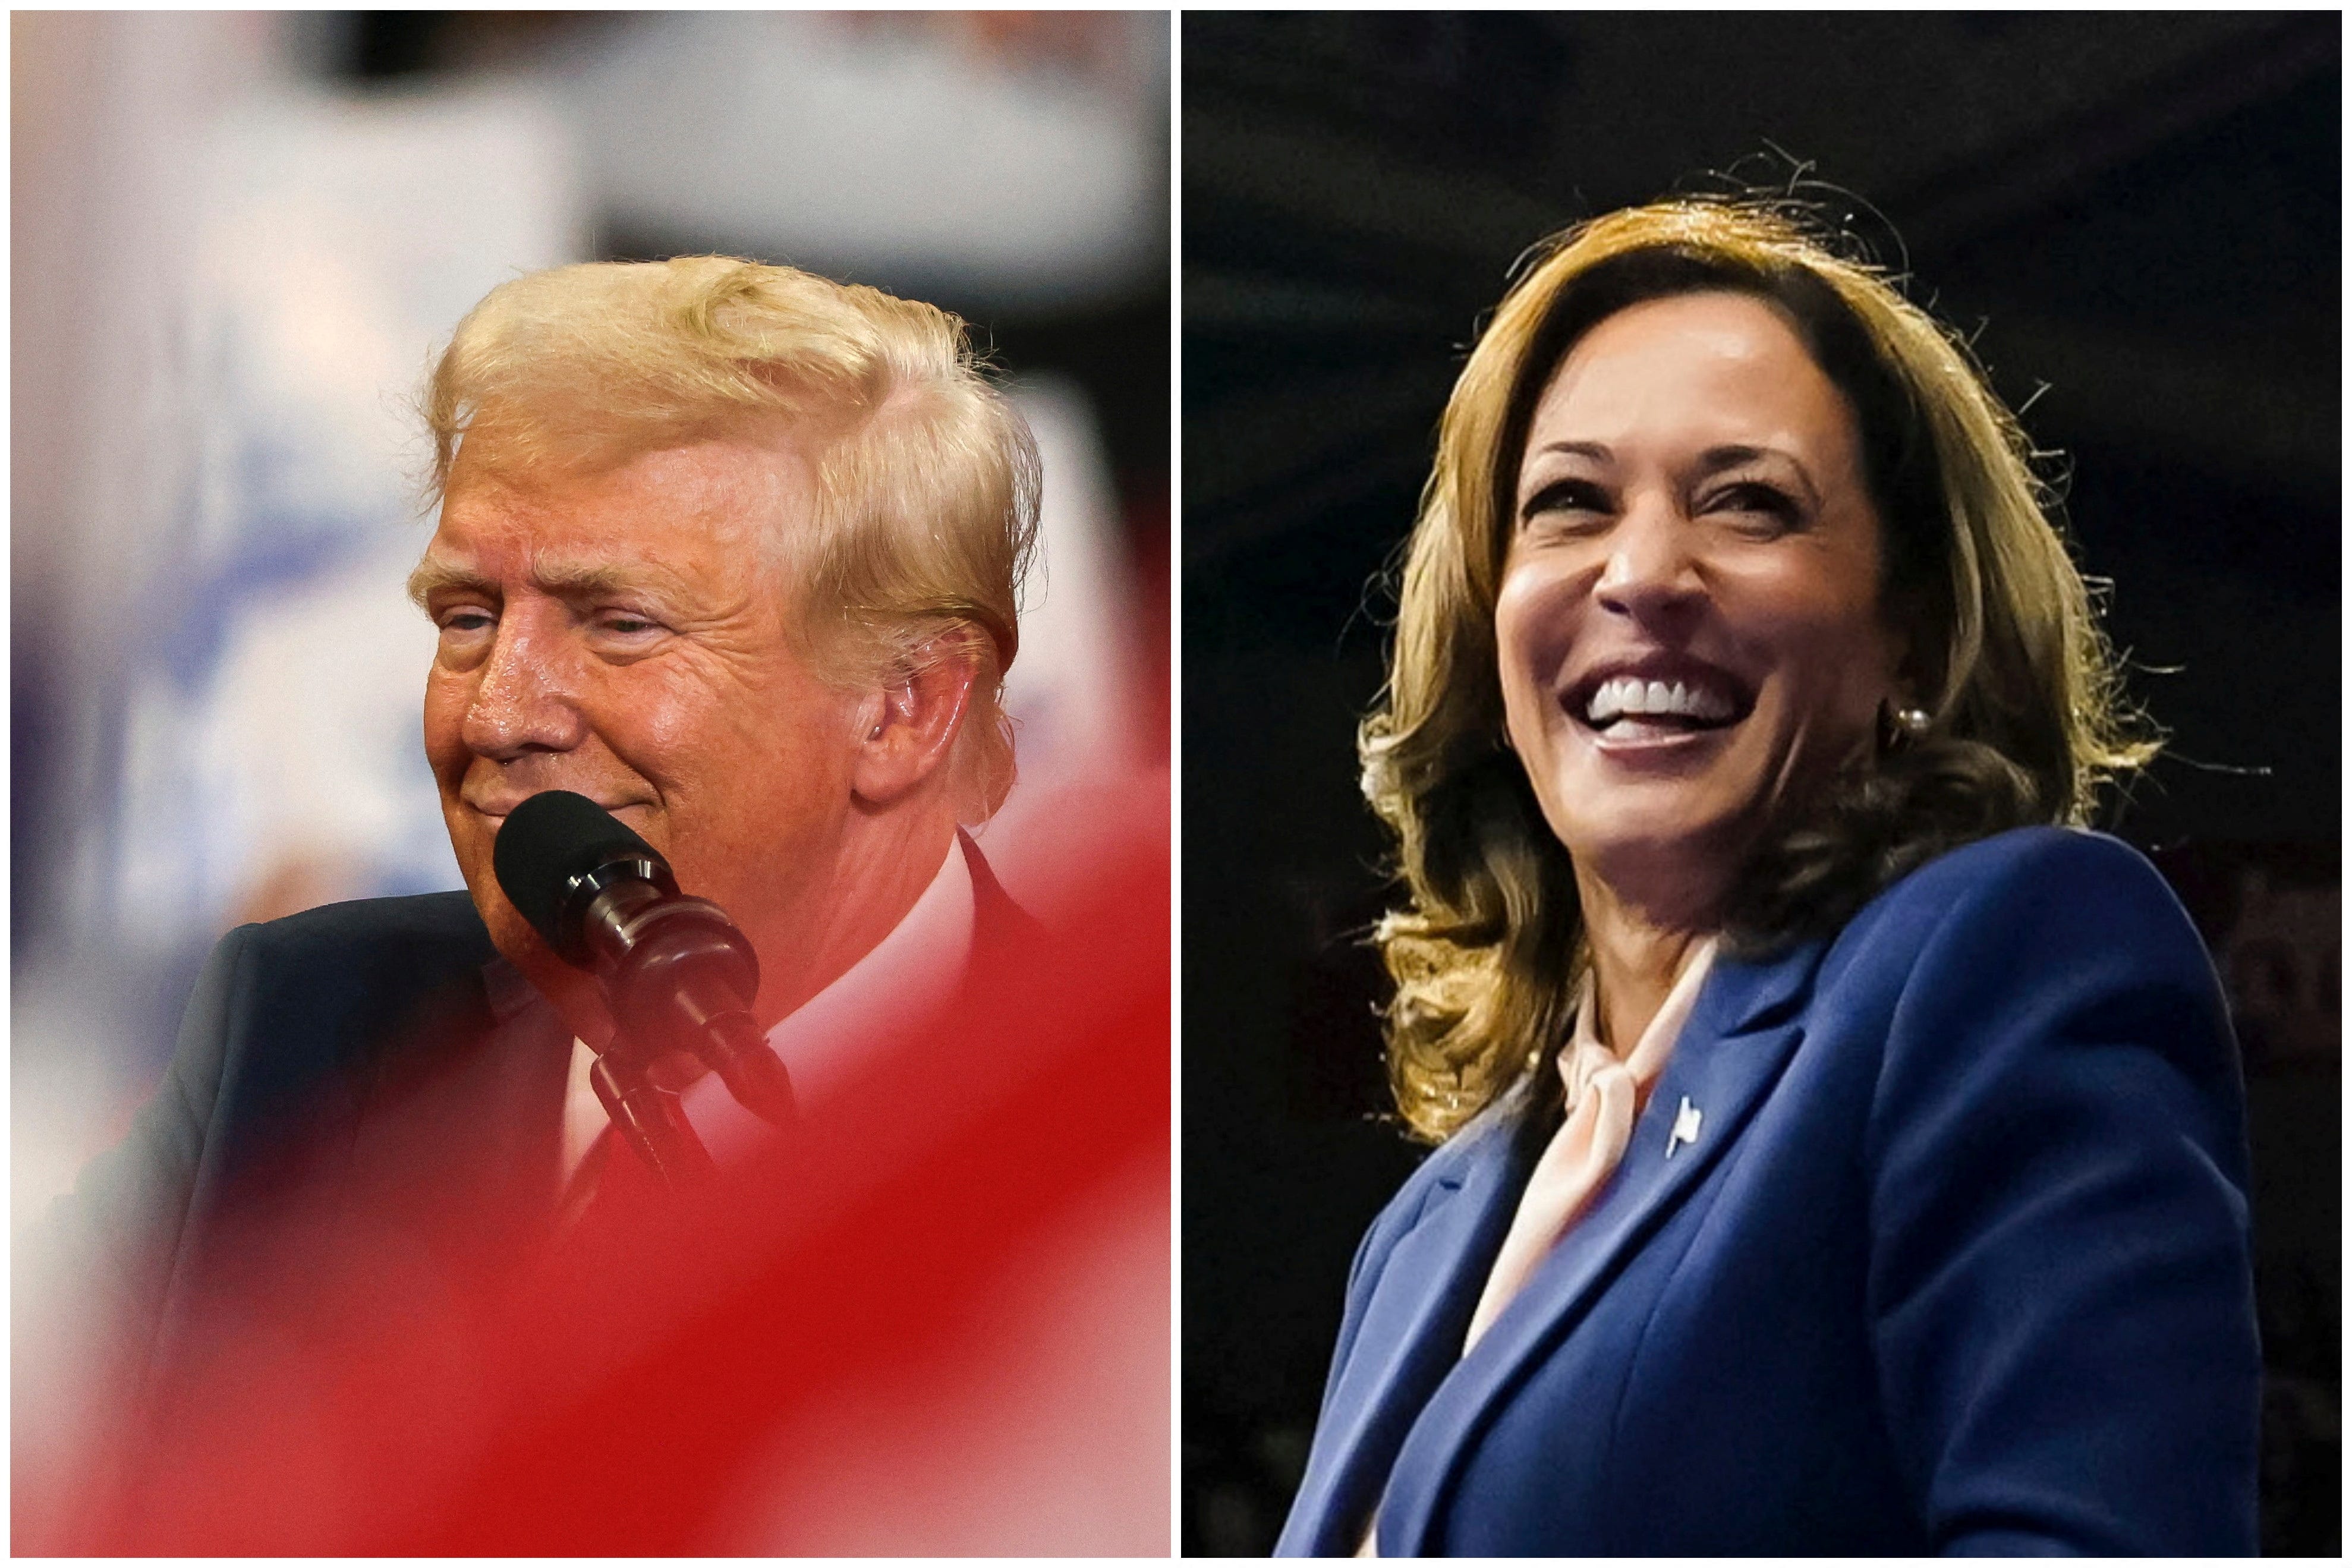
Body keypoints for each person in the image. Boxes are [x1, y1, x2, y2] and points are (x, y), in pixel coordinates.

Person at [1274, 200, 2259, 1556]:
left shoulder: (2002, 958)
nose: (1642, 573)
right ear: (1486, 625)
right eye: (1568, 503)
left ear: (1910, 632)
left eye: (1747, 501)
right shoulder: (1423, 1223)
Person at [17, 256, 1044, 1534]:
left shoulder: (1104, 1182)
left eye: (617, 623)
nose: (493, 713)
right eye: (464, 616)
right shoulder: (299, 1020)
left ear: (903, 705)